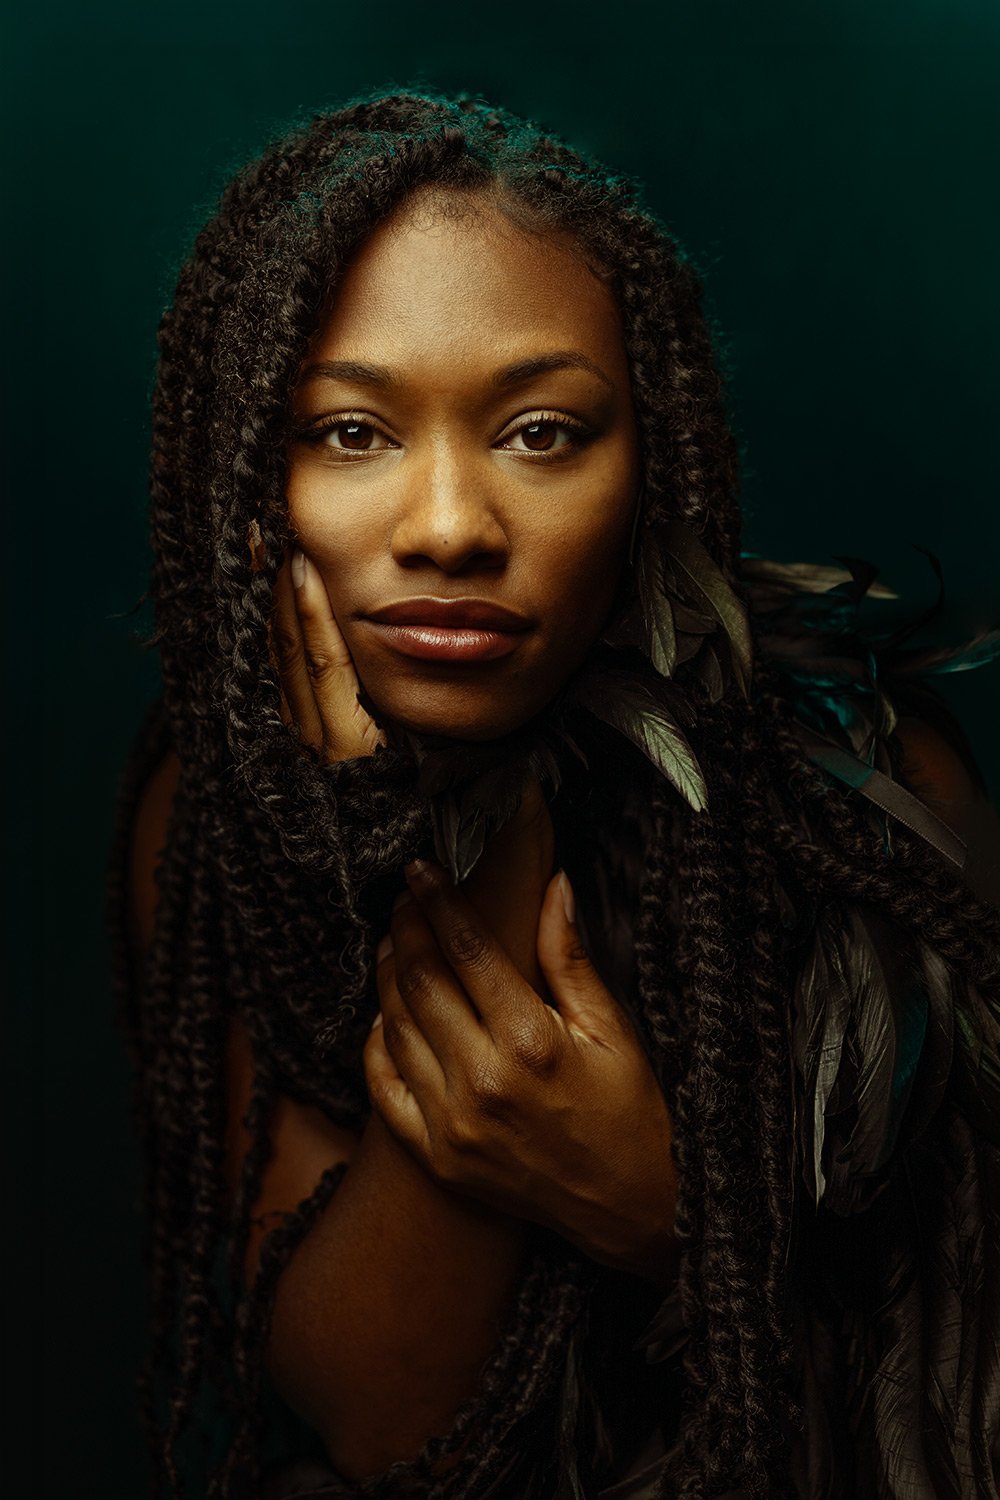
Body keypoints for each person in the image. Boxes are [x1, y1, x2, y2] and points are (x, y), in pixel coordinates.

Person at [110, 89, 1000, 1500]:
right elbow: (382, 1425)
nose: (451, 525)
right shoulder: (220, 808)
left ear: (651, 465)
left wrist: (666, 1213)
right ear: (242, 479)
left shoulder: (873, 779)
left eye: (540, 433)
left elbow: (957, 1368)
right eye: (350, 433)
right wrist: (473, 866)